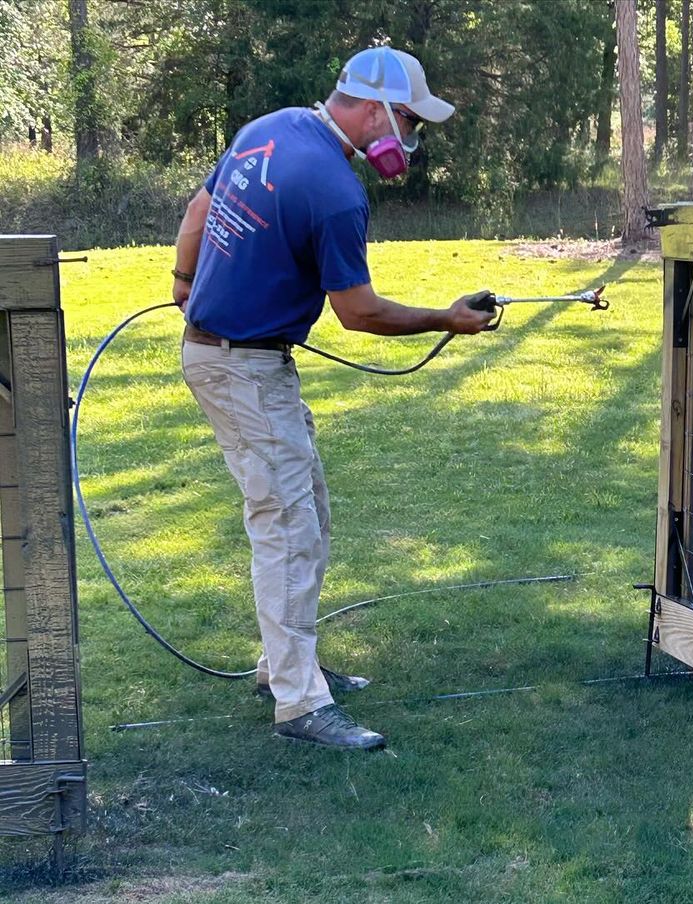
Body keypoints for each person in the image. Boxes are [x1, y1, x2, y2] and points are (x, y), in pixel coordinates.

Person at [170, 46, 494, 750]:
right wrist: (446, 319)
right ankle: (300, 706)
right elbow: (359, 312)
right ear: (375, 109)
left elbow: (201, 205)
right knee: (288, 528)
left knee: (307, 513)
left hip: (235, 357)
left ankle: (287, 668)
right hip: (242, 369)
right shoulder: (336, 191)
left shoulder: (272, 126)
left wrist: (183, 280)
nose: (411, 138)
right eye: (410, 121)